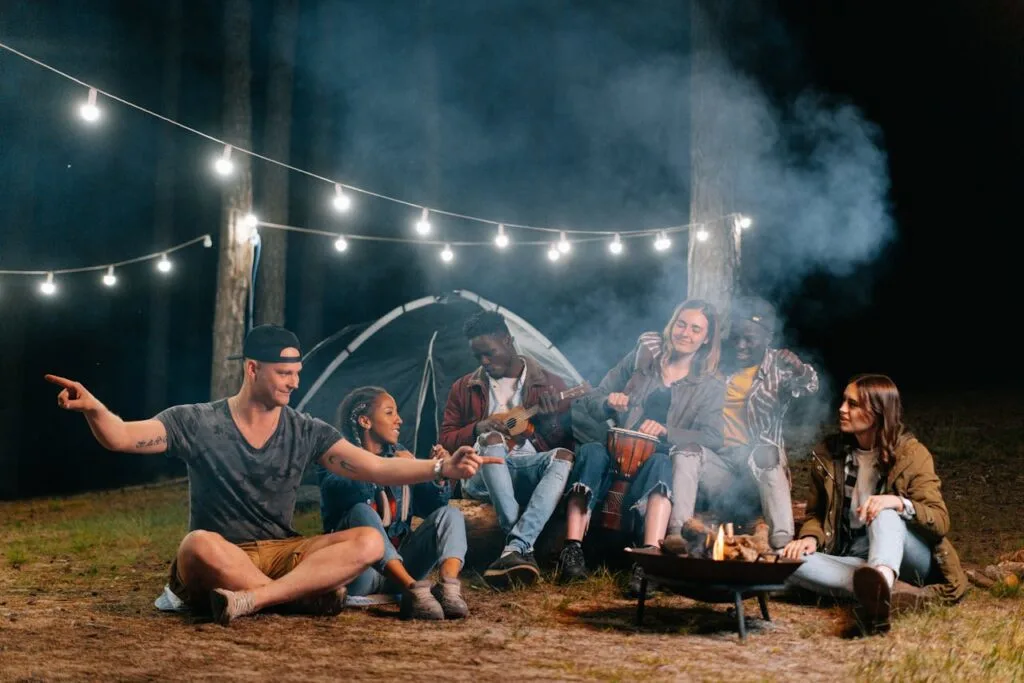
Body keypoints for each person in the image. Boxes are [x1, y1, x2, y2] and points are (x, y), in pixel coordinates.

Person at [46, 324, 486, 626]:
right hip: (224, 553)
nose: (294, 383)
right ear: (252, 368)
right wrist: (97, 410)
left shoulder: (305, 430)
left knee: (370, 540)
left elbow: (376, 466)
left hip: (284, 552)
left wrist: (439, 468)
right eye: (284, 373)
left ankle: (256, 600)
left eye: (297, 373)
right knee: (195, 545)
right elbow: (123, 437)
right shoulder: (196, 421)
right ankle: (300, 597)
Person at [782, 374, 968, 633]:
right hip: (855, 559)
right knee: (779, 560)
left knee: (885, 513)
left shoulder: (912, 455)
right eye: (843, 401)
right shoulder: (830, 454)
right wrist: (811, 538)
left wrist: (898, 502)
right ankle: (882, 593)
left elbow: (940, 521)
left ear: (878, 413)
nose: (842, 409)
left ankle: (882, 582)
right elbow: (816, 513)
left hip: (909, 559)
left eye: (853, 404)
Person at [562, 299, 725, 595]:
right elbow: (592, 398)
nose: (685, 333)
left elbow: (713, 437)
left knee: (662, 465)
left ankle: (648, 562)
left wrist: (668, 431)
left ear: (706, 339)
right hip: (617, 452)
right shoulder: (641, 363)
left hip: (655, 461)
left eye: (696, 329)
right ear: (672, 325)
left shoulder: (710, 385)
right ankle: (572, 551)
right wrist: (608, 402)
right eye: (681, 324)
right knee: (591, 452)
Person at [440, 310, 576, 589]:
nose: (484, 362)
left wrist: (550, 420)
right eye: (478, 357)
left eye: (489, 353)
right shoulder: (464, 387)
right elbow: (447, 438)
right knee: (492, 438)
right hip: (481, 474)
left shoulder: (550, 384)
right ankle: (519, 542)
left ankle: (514, 548)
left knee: (564, 458)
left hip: (526, 474)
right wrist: (478, 427)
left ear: (508, 341)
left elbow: (564, 442)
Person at [317, 386, 469, 620]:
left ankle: (449, 588)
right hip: (360, 573)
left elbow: (430, 508)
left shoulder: (400, 455)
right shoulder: (338, 456)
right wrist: (386, 468)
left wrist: (436, 474)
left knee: (450, 515)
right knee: (361, 511)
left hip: (401, 564)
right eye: (389, 413)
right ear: (365, 421)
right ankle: (413, 590)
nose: (399, 420)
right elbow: (342, 491)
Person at [689, 296, 819, 549]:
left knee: (765, 451)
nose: (740, 345)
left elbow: (810, 385)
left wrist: (799, 369)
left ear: (768, 337)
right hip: (723, 469)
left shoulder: (777, 366)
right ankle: (680, 534)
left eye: (749, 339)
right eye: (736, 337)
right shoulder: (721, 366)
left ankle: (783, 542)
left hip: (760, 470)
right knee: (686, 453)